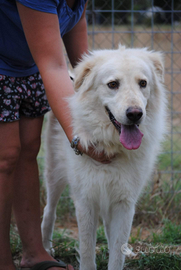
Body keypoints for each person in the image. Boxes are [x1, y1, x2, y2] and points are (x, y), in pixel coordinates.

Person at [0, 1, 113, 270]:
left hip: (29, 69)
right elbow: (53, 65)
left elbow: (84, 65)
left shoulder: (78, 2)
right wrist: (79, 138)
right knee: (5, 157)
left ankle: (34, 253)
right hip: (5, 68)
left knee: (28, 150)